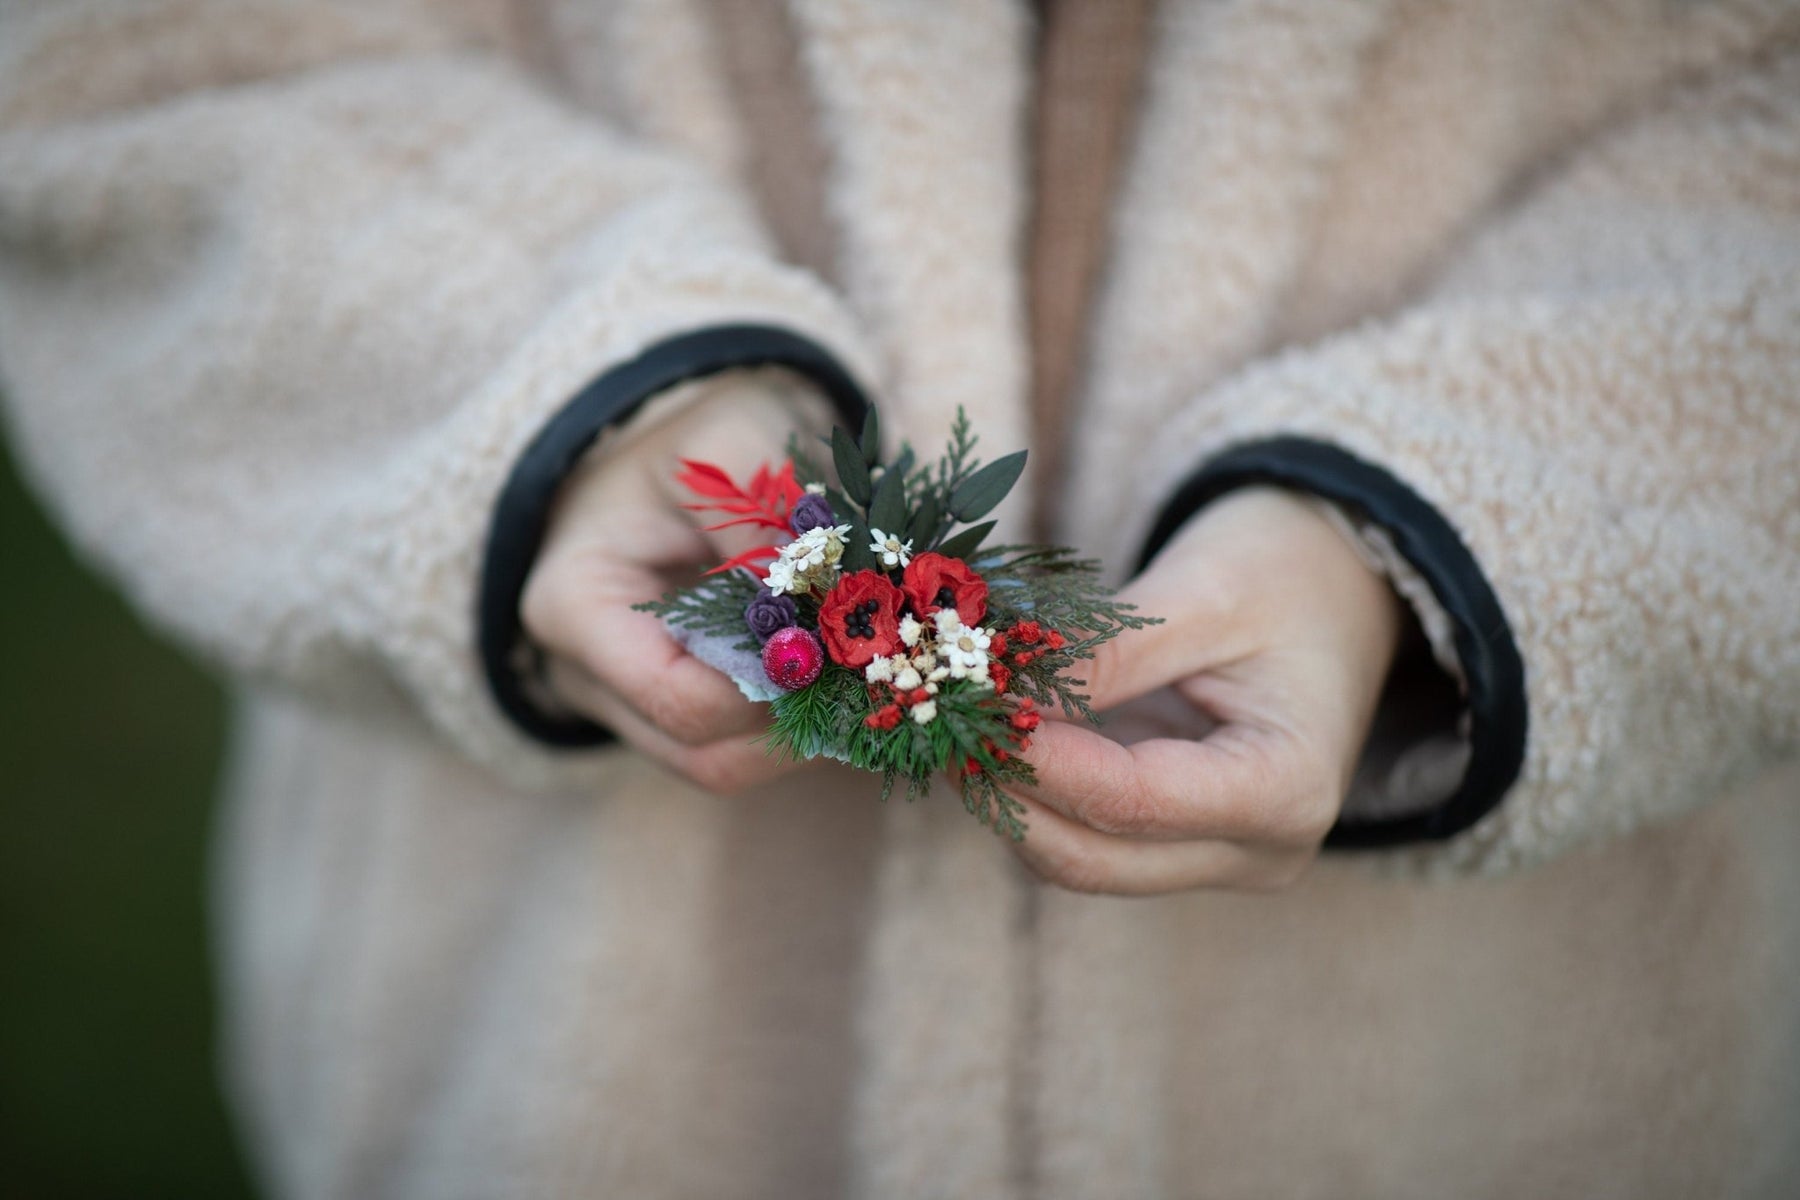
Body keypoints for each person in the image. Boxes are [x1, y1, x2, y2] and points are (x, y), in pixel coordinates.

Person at [2, 1, 1797, 1195]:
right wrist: (581, 397)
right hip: (573, 1050)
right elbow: (157, 67)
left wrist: (1415, 547)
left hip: (1481, 1081)